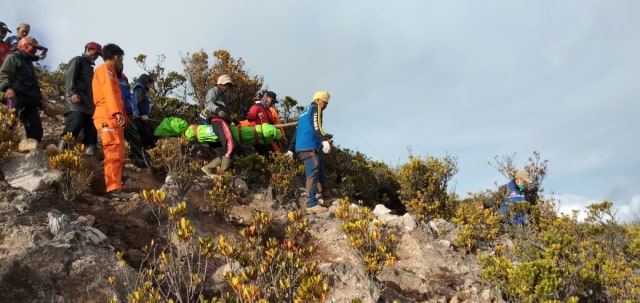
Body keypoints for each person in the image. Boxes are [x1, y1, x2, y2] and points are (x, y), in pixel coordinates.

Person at [92, 43, 129, 199]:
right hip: (108, 116)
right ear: (116, 57)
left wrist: (123, 116)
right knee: (113, 152)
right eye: (121, 59)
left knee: (118, 152)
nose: (121, 63)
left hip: (113, 117)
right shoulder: (105, 70)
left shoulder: (110, 72)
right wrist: (116, 112)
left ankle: (115, 186)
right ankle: (113, 189)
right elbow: (108, 92)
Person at [58, 42, 102, 155]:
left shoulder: (91, 69)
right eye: (95, 53)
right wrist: (73, 93)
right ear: (88, 49)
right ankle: (60, 152)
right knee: (74, 124)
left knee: (91, 131)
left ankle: (89, 158)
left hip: (89, 105)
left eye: (98, 54)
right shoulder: (77, 60)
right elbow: (70, 77)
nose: (96, 56)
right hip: (76, 102)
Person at [0, 37, 46, 143]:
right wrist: (8, 88)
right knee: (9, 123)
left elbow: (33, 83)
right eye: (33, 47)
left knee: (36, 129)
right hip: (16, 96)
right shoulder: (13, 57)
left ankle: (33, 152)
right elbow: (4, 74)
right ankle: (3, 147)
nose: (34, 50)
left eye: (36, 48)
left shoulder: (28, 61)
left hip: (30, 100)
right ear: (24, 45)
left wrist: (39, 100)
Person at [295, 91, 333, 214]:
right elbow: (317, 126)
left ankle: (326, 198)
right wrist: (323, 139)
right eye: (324, 102)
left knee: (320, 165)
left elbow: (298, 132)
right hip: (307, 146)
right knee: (314, 166)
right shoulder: (316, 108)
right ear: (317, 100)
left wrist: (291, 148)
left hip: (304, 145)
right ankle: (311, 203)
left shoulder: (303, 113)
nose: (325, 106)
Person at [201, 74, 236, 177]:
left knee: (224, 151)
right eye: (227, 85)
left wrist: (231, 119)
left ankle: (208, 168)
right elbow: (209, 104)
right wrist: (218, 110)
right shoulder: (214, 91)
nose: (228, 88)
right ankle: (223, 174)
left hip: (222, 120)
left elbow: (225, 112)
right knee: (230, 144)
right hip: (217, 119)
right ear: (222, 84)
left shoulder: (223, 96)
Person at [131, 74, 155, 150]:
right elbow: (139, 102)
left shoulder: (142, 89)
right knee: (147, 134)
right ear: (144, 82)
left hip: (141, 117)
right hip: (139, 117)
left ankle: (144, 151)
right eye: (149, 84)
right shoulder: (139, 88)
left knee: (148, 133)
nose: (150, 86)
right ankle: (142, 153)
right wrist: (143, 114)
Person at [247, 91, 275, 158]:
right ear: (266, 98)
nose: (272, 103)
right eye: (272, 100)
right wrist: (257, 115)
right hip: (258, 137)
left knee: (272, 158)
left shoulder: (269, 111)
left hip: (266, 138)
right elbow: (249, 118)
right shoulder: (257, 107)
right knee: (268, 158)